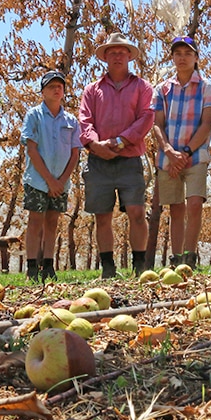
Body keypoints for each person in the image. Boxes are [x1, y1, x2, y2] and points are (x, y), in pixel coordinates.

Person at [79, 32, 154, 278]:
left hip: (130, 159)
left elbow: (147, 117)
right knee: (102, 216)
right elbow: (84, 121)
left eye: (122, 52)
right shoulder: (92, 90)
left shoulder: (142, 87)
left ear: (129, 56)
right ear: (106, 57)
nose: (118, 56)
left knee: (137, 212)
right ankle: (108, 268)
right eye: (113, 52)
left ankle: (140, 265)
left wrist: (121, 141)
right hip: (98, 161)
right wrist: (95, 145)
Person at [151, 36, 211, 270]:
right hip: (168, 159)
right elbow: (156, 124)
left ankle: (190, 256)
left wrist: (187, 152)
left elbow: (206, 123)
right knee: (176, 208)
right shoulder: (162, 89)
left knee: (194, 204)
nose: (182, 57)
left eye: (187, 53)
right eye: (178, 53)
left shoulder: (207, 87)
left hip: (196, 156)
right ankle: (176, 258)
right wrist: (170, 151)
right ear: (172, 57)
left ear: (196, 58)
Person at [21, 70, 82, 282]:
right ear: (43, 91)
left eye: (60, 87)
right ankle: (31, 268)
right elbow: (32, 149)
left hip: (61, 183)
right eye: (51, 87)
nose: (57, 90)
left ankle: (48, 264)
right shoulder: (34, 116)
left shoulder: (72, 120)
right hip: (38, 180)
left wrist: (61, 181)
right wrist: (49, 180)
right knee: (35, 221)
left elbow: (75, 154)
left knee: (52, 222)